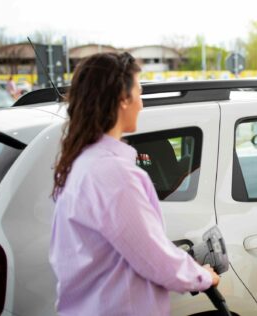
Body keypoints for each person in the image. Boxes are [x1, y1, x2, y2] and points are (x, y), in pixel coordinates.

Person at [49, 52, 219, 315]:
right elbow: (153, 258)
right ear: (123, 99)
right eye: (139, 91)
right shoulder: (114, 174)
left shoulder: (81, 163)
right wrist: (203, 276)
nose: (142, 103)